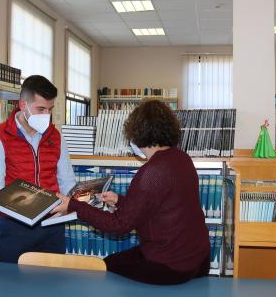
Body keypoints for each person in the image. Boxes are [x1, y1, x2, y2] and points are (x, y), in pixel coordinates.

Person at [52, 100, 211, 285]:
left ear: (137, 133)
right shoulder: (182, 158)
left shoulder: (151, 173)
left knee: (107, 265)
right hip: (198, 258)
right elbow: (157, 205)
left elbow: (118, 226)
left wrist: (73, 206)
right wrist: (120, 201)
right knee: (122, 260)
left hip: (171, 266)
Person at [0, 75, 76, 263]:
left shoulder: (56, 137)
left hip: (52, 226)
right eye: (40, 109)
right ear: (23, 105)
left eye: (50, 110)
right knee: (14, 288)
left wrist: (75, 202)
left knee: (53, 286)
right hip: (14, 229)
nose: (46, 115)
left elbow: (67, 180)